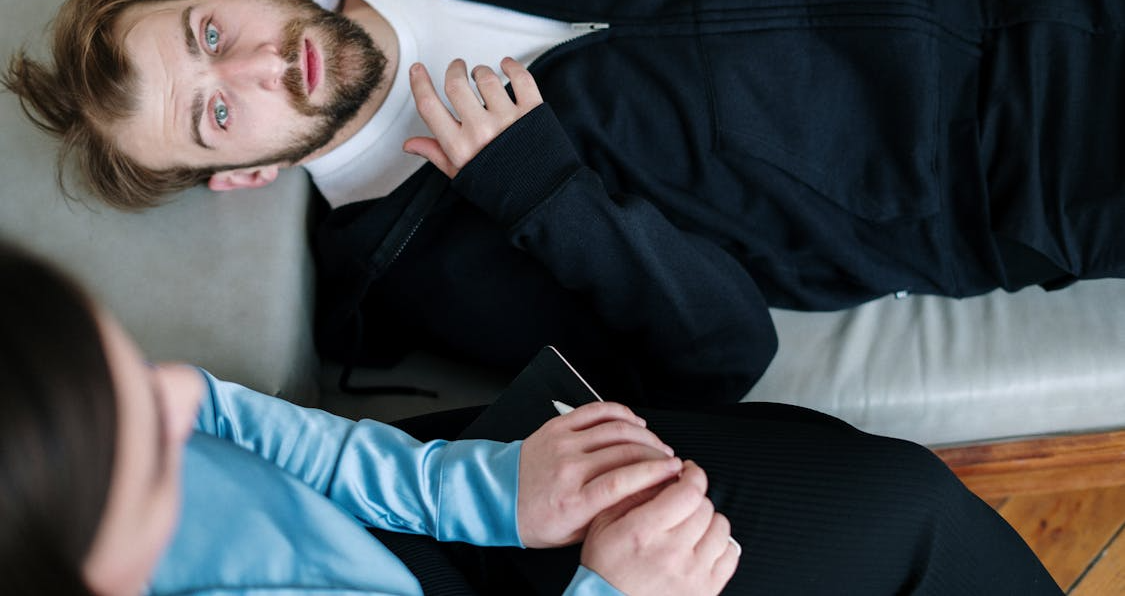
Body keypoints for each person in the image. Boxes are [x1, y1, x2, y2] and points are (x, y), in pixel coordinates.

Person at [6, 0, 1125, 405]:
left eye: (207, 34)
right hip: (1019, 171)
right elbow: (726, 356)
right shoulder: (422, 263)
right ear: (240, 178)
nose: (253, 65)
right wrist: (542, 191)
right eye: (214, 114)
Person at [0, 241, 1062, 595]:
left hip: (412, 529)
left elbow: (237, 424)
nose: (167, 411)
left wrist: (483, 494)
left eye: (129, 366)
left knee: (890, 500)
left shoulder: (115, 414)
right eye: (147, 457)